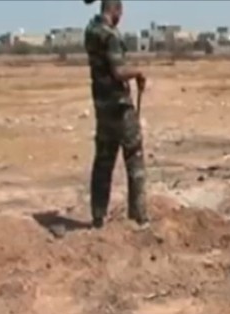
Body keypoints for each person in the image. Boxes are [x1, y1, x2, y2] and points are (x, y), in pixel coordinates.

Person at [83, 0, 148, 228]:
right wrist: (138, 72)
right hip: (119, 108)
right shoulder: (110, 35)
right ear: (116, 10)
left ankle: (98, 216)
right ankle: (139, 218)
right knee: (134, 157)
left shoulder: (91, 31)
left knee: (103, 161)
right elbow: (119, 71)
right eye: (120, 12)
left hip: (102, 106)